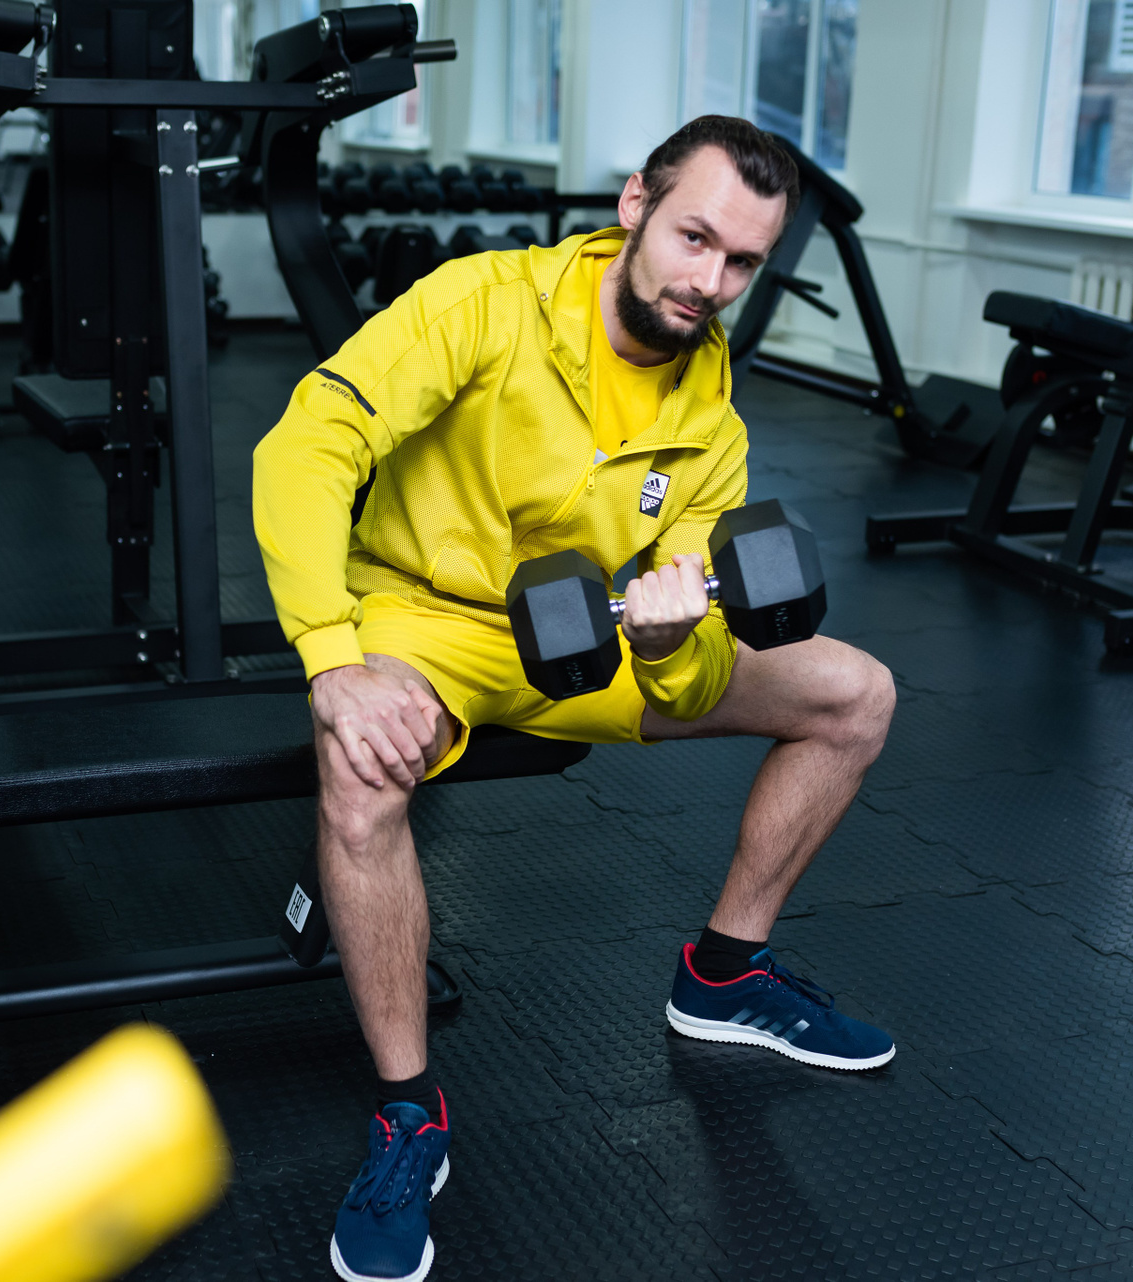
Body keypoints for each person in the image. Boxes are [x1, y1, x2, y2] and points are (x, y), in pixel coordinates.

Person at [252, 115, 897, 1282]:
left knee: (855, 692)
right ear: (633, 205)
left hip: (591, 637)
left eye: (742, 262)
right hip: (425, 619)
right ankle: (409, 1113)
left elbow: (692, 673)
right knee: (362, 768)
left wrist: (668, 641)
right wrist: (334, 656)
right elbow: (307, 446)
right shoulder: (485, 304)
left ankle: (724, 973)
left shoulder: (710, 425)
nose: (710, 281)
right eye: (694, 237)